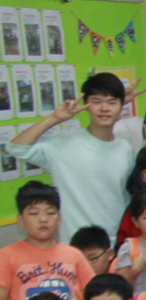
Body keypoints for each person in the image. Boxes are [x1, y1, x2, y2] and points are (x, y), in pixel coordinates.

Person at [4, 73, 135, 238]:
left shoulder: (125, 148)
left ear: (121, 106)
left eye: (112, 102)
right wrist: (54, 118)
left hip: (117, 240)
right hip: (76, 242)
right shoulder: (62, 143)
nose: (104, 108)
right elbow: (16, 148)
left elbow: (125, 195)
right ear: (85, 104)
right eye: (96, 102)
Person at [0, 181, 99, 300]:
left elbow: (94, 296)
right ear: (20, 219)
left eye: (50, 213)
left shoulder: (74, 254)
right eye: (34, 213)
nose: (43, 219)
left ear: (59, 218)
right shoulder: (7, 255)